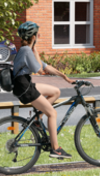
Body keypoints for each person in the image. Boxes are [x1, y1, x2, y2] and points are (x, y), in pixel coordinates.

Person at [10, 21, 75, 159]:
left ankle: (37, 120)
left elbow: (46, 67)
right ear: (33, 37)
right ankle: (55, 149)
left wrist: (65, 77)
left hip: (25, 84)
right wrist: (35, 49)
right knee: (52, 113)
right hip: (24, 86)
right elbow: (39, 70)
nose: (38, 37)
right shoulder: (27, 51)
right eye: (37, 35)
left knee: (55, 92)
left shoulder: (27, 50)